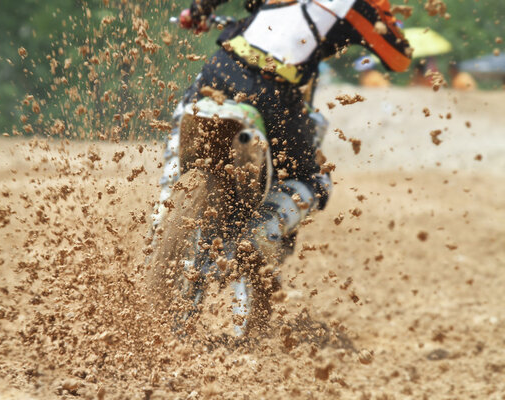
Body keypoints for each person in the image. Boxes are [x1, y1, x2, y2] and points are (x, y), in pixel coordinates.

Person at [155, 0, 412, 265]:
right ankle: (261, 232)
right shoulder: (363, 4)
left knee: (184, 116)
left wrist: (197, 12)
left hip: (221, 70)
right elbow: (399, 59)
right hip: (274, 93)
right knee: (314, 180)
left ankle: (164, 206)